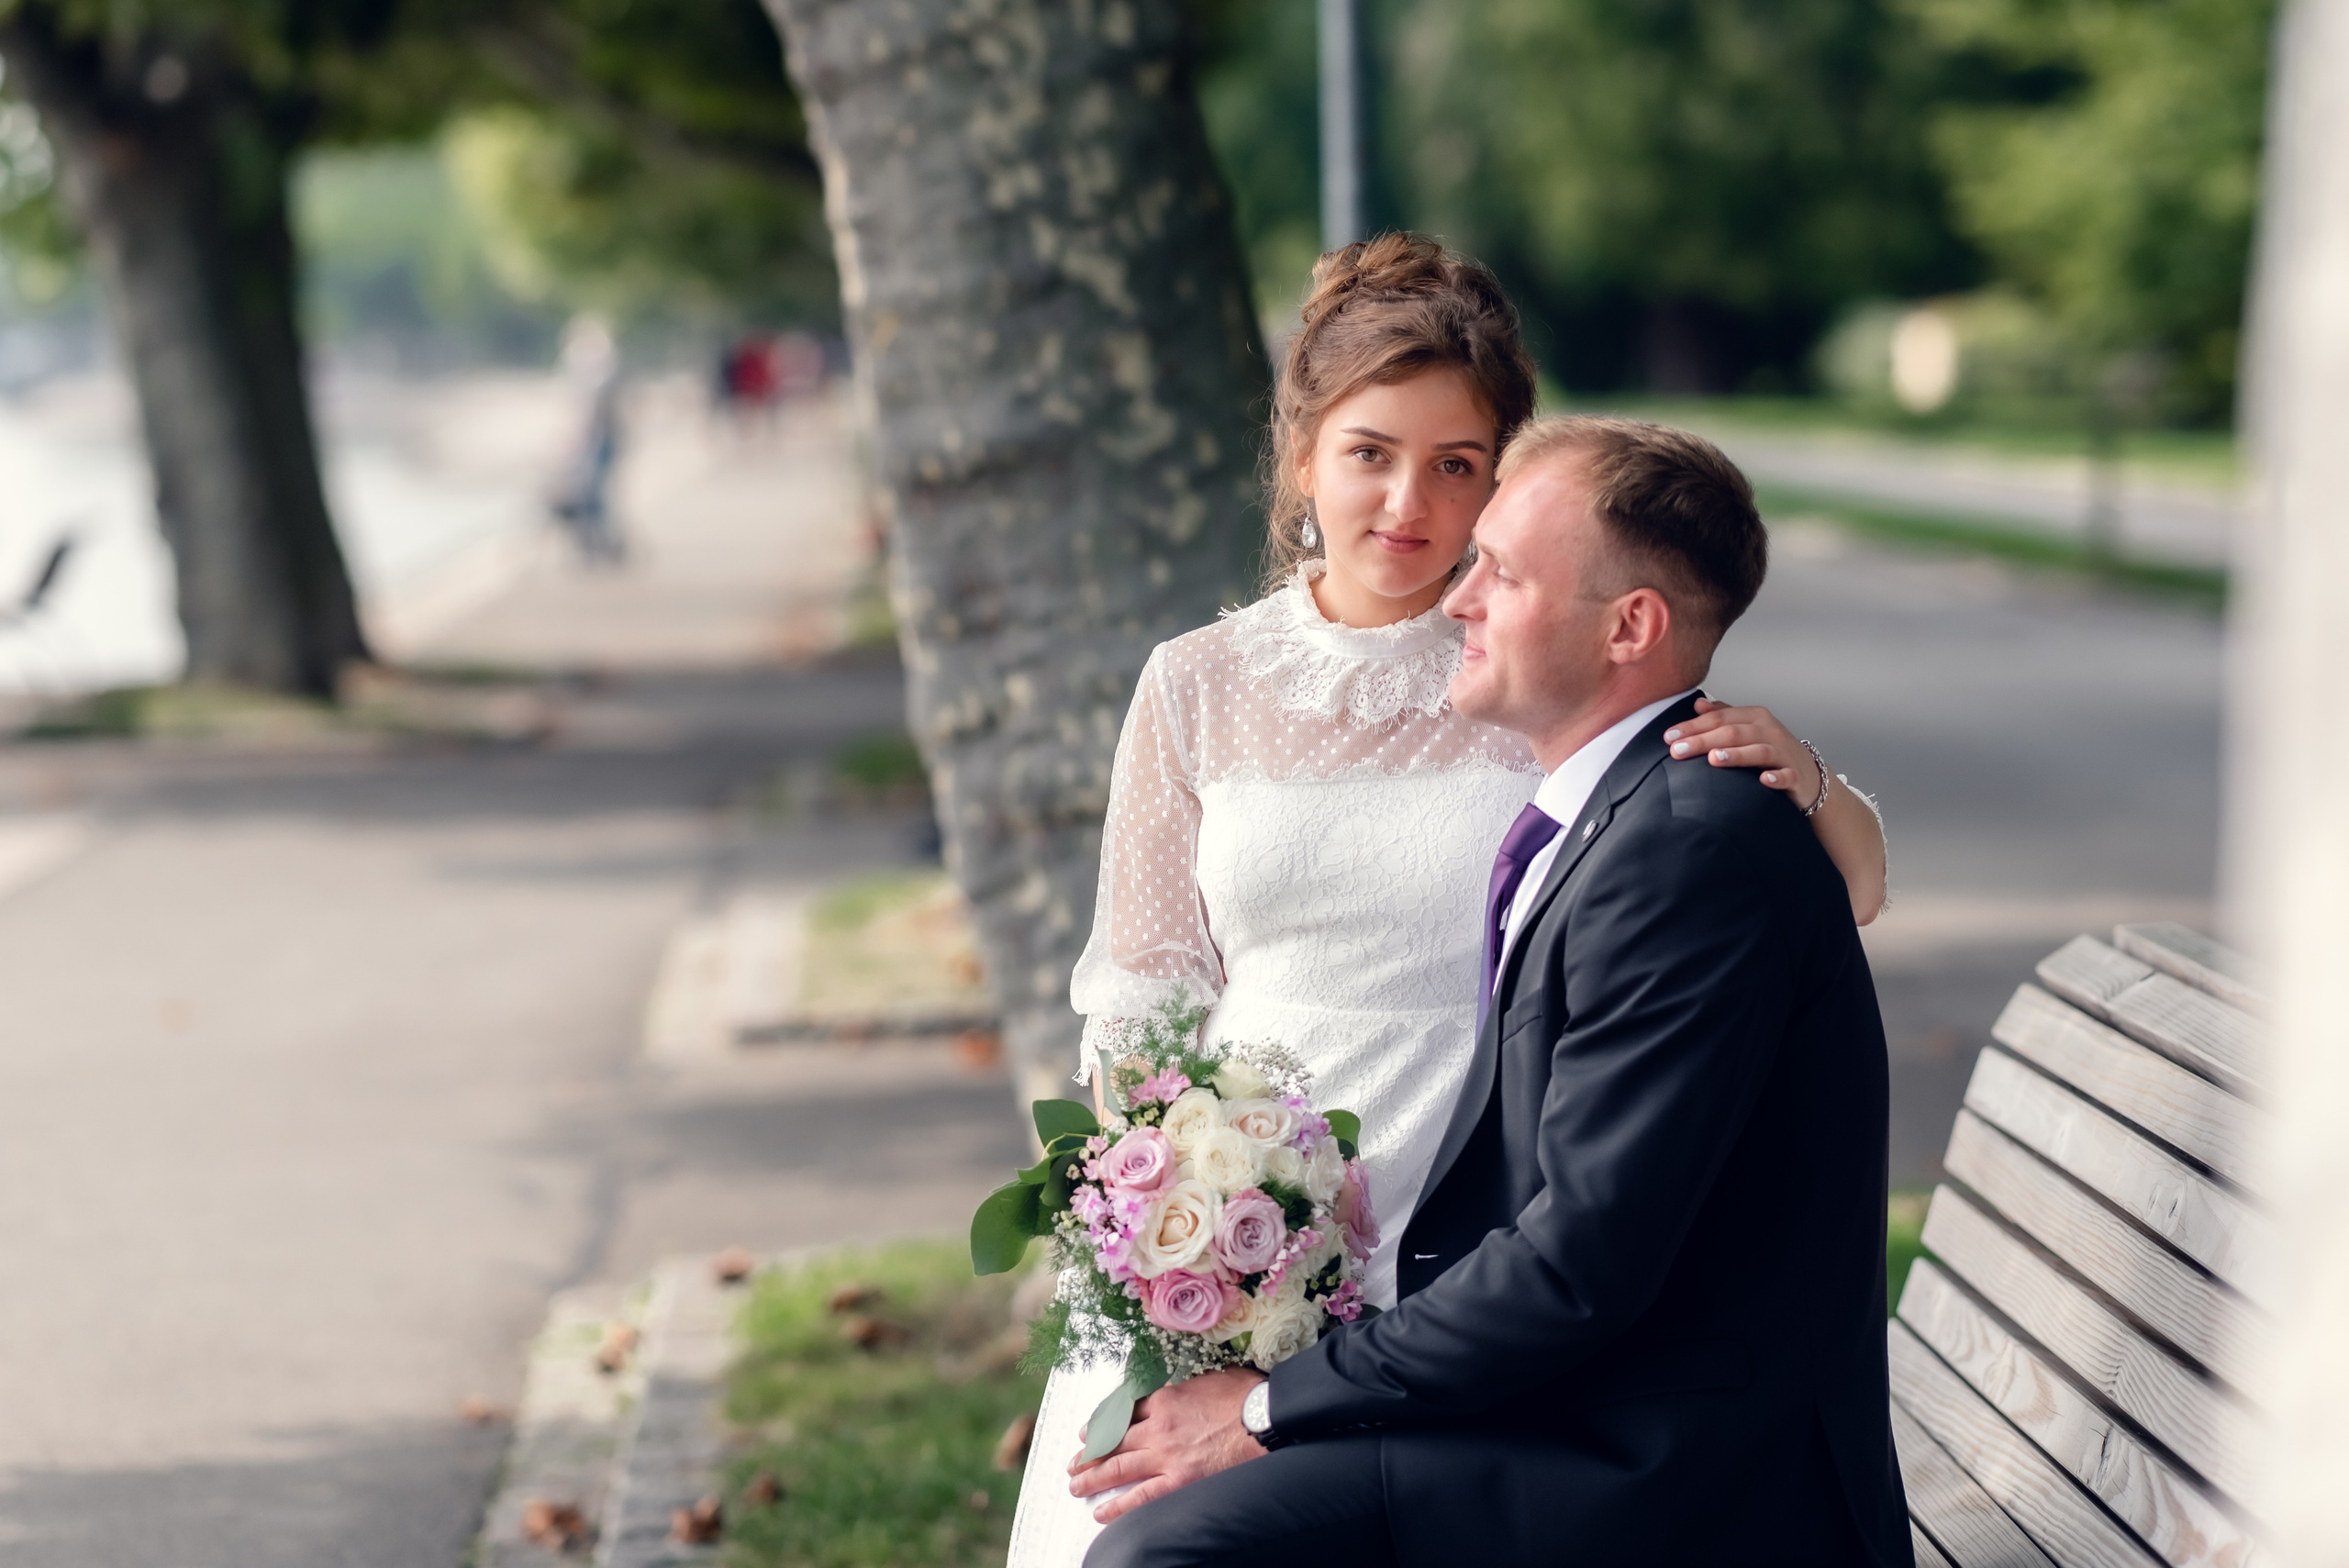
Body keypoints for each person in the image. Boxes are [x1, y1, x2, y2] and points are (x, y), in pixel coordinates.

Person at [1006, 235, 1891, 1567]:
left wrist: (1808, 771)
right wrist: (1185, 1203)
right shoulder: (1199, 681)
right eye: (1369, 451)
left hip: (1470, 1186)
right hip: (1251, 1198)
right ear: (1304, 455)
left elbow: (1828, 881)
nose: (1410, 503)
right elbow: (1143, 983)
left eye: (1458, 464)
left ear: (1503, 478)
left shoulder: (1535, 652)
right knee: (1143, 1516)